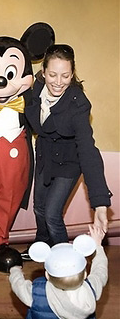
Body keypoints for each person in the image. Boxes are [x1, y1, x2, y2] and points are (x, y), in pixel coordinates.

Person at [21, 44, 112, 260]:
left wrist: (100, 203)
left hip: (69, 162)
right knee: (39, 208)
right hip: (45, 154)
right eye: (52, 74)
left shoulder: (77, 104)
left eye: (65, 75)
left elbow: (88, 149)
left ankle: (65, 260)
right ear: (43, 72)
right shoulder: (35, 88)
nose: (58, 82)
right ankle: (41, 248)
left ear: (72, 74)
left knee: (52, 214)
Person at [9, 225, 108, 319]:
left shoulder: (36, 293)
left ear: (47, 275)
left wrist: (15, 270)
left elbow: (18, 285)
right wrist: (97, 245)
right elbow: (100, 269)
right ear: (85, 274)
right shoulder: (92, 289)